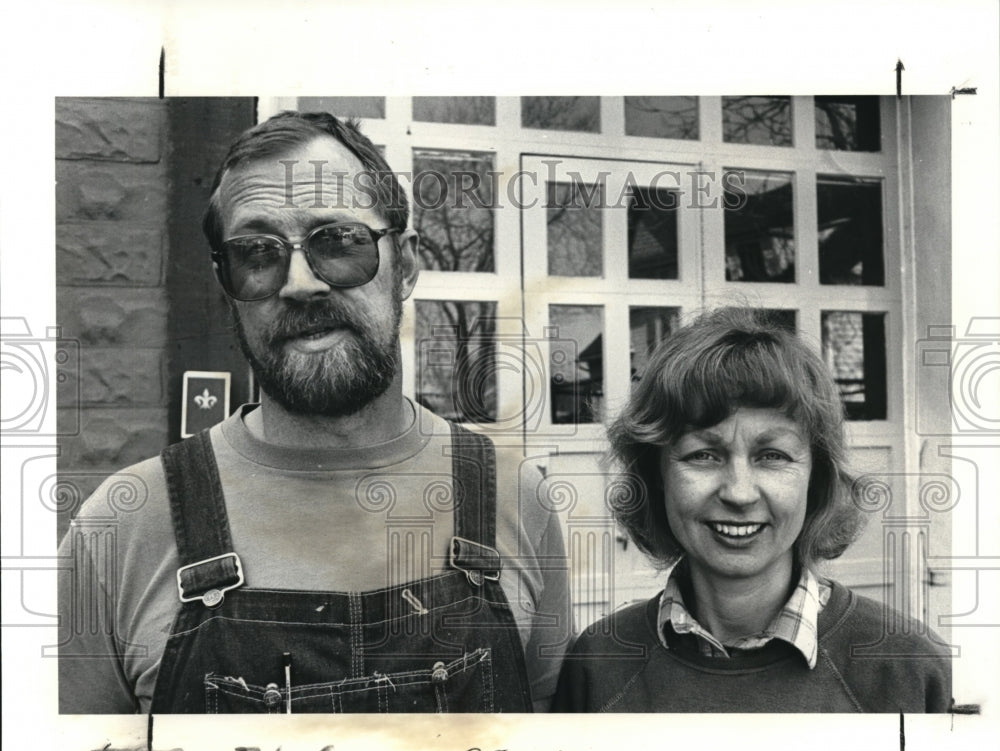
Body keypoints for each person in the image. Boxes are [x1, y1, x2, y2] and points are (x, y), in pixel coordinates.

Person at [58, 111, 570, 714]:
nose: (301, 284)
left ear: (404, 266)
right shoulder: (121, 530)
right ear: (228, 282)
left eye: (339, 241)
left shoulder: (516, 499)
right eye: (257, 252)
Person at [554, 307, 951, 713]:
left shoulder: (907, 669)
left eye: (772, 456)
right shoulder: (599, 665)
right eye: (703, 455)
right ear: (656, 476)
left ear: (816, 478)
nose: (739, 493)